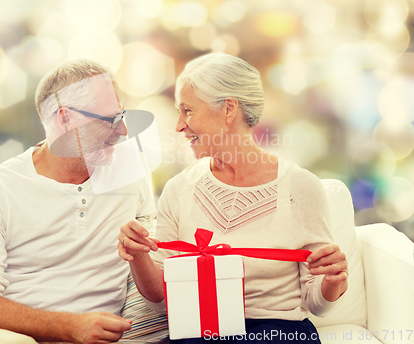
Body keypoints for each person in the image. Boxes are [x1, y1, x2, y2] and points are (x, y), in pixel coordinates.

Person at [118, 53, 348, 343]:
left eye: (188, 111)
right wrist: (137, 255)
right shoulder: (179, 189)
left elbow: (317, 302)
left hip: (277, 334)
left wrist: (332, 280)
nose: (178, 125)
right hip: (202, 332)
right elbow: (161, 298)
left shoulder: (300, 187)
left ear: (228, 109)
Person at [0, 58, 156, 344]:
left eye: (122, 115)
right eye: (110, 119)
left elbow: (156, 288)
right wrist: (70, 327)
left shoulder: (130, 170)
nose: (123, 130)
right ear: (65, 118)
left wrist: (139, 253)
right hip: (11, 336)